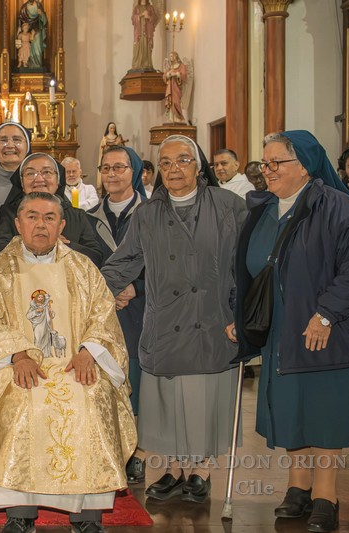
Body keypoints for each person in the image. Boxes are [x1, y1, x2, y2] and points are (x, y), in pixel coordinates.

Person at [233, 131, 349, 532]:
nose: (266, 171)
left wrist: (326, 314)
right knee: (291, 408)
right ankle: (298, 486)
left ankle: (325, 495)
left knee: (323, 413)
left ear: (304, 166)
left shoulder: (337, 207)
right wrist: (241, 313)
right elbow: (247, 270)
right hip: (282, 330)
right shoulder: (262, 209)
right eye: (264, 163)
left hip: (325, 329)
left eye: (276, 163)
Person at [0, 192, 137, 533]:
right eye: (32, 217)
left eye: (48, 218)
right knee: (18, 400)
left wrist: (88, 351)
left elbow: (102, 316)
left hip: (75, 362)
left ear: (61, 225)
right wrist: (17, 354)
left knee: (91, 395)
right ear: (18, 224)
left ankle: (87, 517)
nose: (40, 225)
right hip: (18, 365)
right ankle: (19, 513)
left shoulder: (82, 267)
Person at [101, 135, 247, 504]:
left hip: (212, 319)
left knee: (202, 401)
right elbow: (123, 262)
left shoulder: (229, 206)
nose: (173, 169)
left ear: (199, 166)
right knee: (168, 403)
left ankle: (201, 472)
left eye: (182, 160)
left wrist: (243, 313)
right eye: (165, 163)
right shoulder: (147, 214)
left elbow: (248, 266)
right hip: (166, 320)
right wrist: (84, 290)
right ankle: (174, 469)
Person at [87, 145, 147, 484]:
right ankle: (109, 447)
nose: (111, 174)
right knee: (108, 378)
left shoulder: (152, 212)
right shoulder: (89, 216)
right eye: (106, 168)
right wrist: (107, 291)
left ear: (134, 171)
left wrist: (137, 287)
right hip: (103, 309)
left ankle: (138, 452)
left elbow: (165, 259)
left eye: (119, 167)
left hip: (141, 308)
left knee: (138, 379)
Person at [0, 152, 102, 266]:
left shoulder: (77, 216)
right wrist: (35, 244)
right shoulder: (8, 213)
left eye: (47, 172)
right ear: (22, 183)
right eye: (30, 173)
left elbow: (96, 257)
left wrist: (64, 246)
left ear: (58, 180)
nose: (39, 179)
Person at [17, 0, 48, 69]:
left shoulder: (39, 5)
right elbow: (20, 19)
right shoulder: (24, 7)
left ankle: (37, 64)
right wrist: (20, 27)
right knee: (24, 51)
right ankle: (26, 62)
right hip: (26, 30)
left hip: (37, 30)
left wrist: (41, 14)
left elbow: (44, 20)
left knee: (37, 47)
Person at [97, 122, 127, 190]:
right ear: (108, 128)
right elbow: (102, 149)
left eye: (113, 128)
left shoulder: (118, 138)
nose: (112, 129)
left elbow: (122, 149)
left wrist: (119, 144)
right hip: (107, 159)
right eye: (111, 128)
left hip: (117, 159)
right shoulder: (104, 138)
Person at [163, 51, 190, 124]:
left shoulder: (182, 66)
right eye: (170, 56)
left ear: (176, 56)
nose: (170, 58)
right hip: (170, 87)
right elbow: (165, 76)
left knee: (176, 101)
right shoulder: (170, 67)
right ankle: (171, 118)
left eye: (172, 56)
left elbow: (184, 75)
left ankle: (178, 118)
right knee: (170, 101)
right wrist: (168, 75)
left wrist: (176, 74)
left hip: (177, 87)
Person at [131, 0, 158, 71]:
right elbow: (133, 19)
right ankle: (137, 64)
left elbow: (155, 18)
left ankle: (147, 64)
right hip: (139, 33)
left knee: (147, 47)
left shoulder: (150, 7)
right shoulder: (137, 7)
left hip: (147, 32)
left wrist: (149, 17)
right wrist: (141, 15)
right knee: (138, 47)